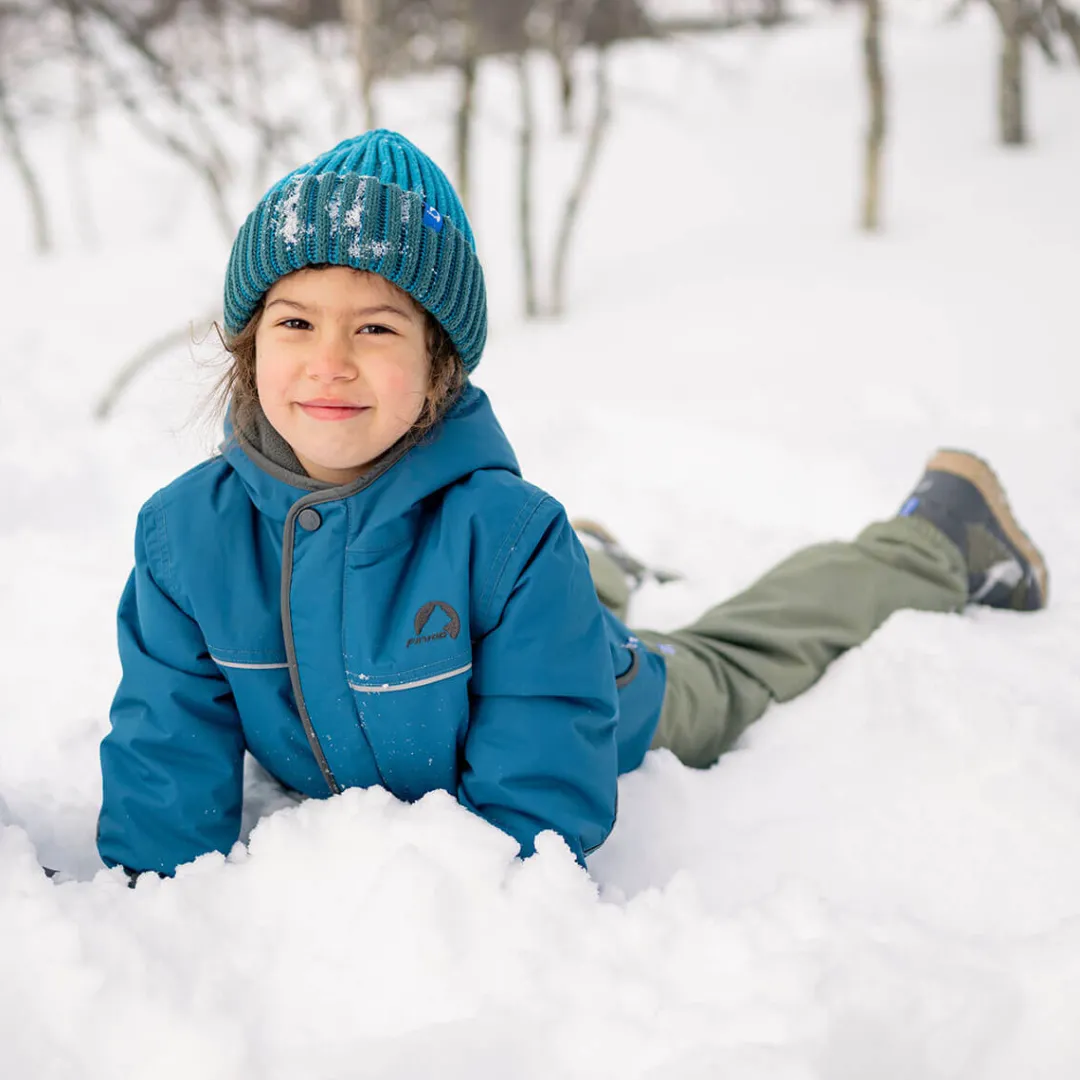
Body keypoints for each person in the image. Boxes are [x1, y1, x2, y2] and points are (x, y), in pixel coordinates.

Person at [96, 130, 1048, 880]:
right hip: (524, 604)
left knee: (734, 666)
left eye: (375, 328)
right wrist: (155, 901)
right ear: (249, 345)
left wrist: (490, 912)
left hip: (595, 686)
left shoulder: (507, 540)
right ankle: (596, 571)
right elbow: (166, 755)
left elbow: (540, 801)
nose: (329, 361)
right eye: (296, 322)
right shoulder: (185, 541)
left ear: (437, 365)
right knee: (543, 592)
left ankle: (935, 538)